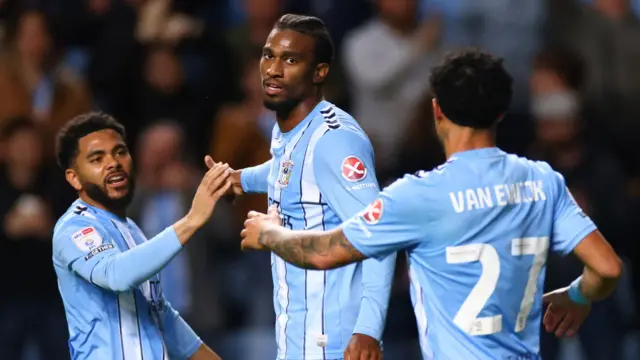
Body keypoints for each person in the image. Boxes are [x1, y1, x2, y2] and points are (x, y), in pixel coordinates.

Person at [239, 49, 623, 359]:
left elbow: (323, 253)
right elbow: (607, 267)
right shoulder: (543, 181)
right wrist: (577, 295)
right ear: (502, 112)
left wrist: (271, 233)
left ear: (437, 111)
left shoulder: (418, 196)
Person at [217, 14, 396, 360]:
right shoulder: (290, 129)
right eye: (269, 55)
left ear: (320, 72)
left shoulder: (335, 141)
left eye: (291, 60)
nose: (273, 69)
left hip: (333, 342)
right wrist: (242, 178)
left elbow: (380, 235)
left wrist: (368, 332)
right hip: (299, 337)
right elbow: (291, 168)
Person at [52, 112, 226, 359]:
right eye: (97, 158)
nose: (113, 162)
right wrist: (191, 220)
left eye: (120, 152)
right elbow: (116, 275)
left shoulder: (132, 229)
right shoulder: (74, 228)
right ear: (74, 178)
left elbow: (162, 315)